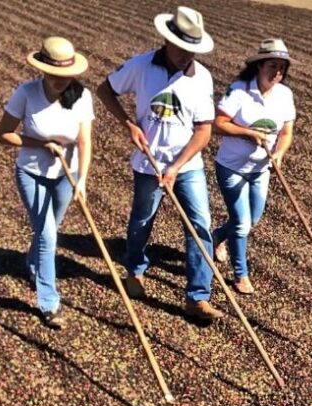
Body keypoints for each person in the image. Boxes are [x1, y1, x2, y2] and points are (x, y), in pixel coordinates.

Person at [96, 6, 222, 321]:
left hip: (187, 165)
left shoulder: (201, 77)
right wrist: (129, 124)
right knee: (142, 221)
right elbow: (105, 89)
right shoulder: (140, 66)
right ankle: (135, 270)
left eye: (192, 49)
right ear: (166, 40)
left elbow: (204, 130)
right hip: (148, 164)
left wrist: (177, 167)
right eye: (181, 47)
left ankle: (197, 297)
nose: (186, 55)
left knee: (199, 226)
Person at [0, 37, 94, 328]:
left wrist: (82, 180)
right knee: (48, 235)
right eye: (54, 75)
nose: (60, 80)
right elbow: (3, 136)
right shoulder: (26, 93)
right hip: (31, 173)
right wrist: (40, 143)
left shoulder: (81, 96)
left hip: (67, 174)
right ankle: (49, 303)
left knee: (47, 229)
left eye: (65, 75)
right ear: (42, 70)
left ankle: (33, 264)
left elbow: (85, 141)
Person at [212, 38, 296, 294]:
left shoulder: (284, 95)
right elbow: (218, 123)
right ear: (259, 66)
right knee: (241, 223)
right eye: (272, 65)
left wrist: (280, 153)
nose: (277, 72)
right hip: (232, 166)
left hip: (261, 169)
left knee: (252, 219)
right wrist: (247, 133)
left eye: (282, 67)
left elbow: (286, 132)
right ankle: (241, 275)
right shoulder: (239, 91)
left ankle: (216, 237)